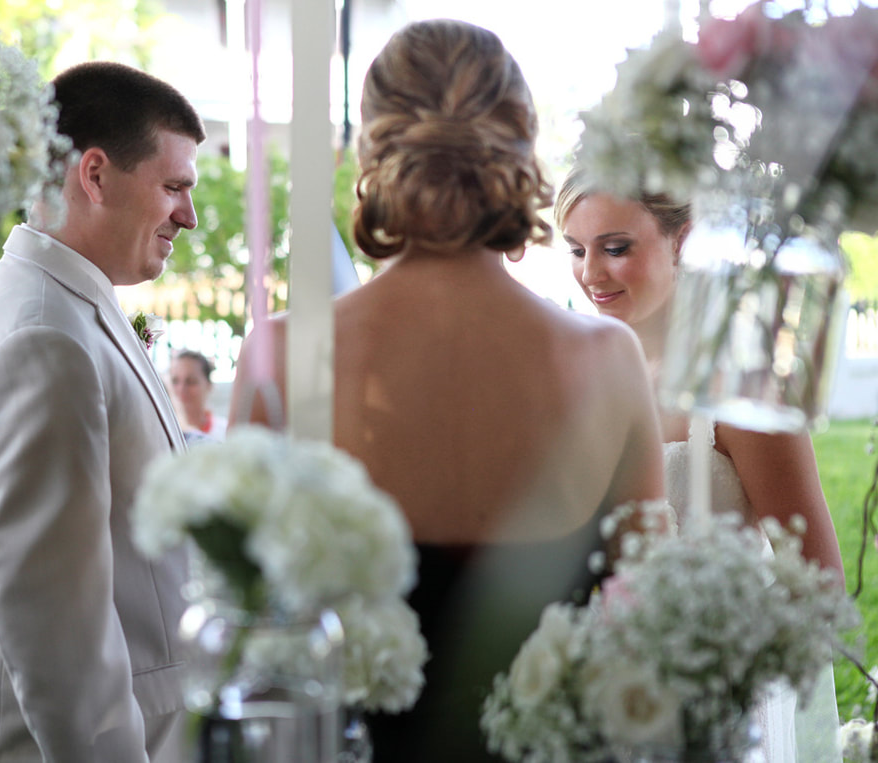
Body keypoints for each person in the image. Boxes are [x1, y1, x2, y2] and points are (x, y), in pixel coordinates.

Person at [229, 20, 665, 762]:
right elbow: (649, 622)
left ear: (371, 148)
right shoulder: (606, 360)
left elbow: (248, 630)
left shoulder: (281, 352)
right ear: (521, 145)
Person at [0, 61, 204, 763]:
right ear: (93, 175)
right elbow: (58, 638)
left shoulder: (65, 303)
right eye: (174, 186)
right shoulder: (42, 336)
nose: (189, 214)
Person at [554, 164, 846, 762]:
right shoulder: (582, 383)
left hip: (719, 722)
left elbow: (821, 588)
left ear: (682, 239)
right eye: (577, 250)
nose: (590, 273)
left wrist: (703, 665)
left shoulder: (743, 394)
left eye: (615, 248)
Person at [168, 349, 227, 440]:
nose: (181, 389)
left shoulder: (226, 433)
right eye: (175, 381)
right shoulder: (164, 432)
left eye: (191, 382)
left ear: (208, 385)